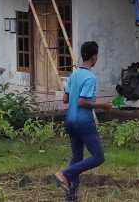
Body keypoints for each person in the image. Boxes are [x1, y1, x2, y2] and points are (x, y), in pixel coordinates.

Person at [53, 41, 112, 201]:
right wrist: (102, 105)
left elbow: (65, 99)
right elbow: (82, 102)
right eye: (97, 55)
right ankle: (64, 174)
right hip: (83, 122)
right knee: (99, 157)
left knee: (77, 158)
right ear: (94, 57)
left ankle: (71, 198)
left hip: (70, 121)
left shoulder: (73, 75)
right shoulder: (90, 77)